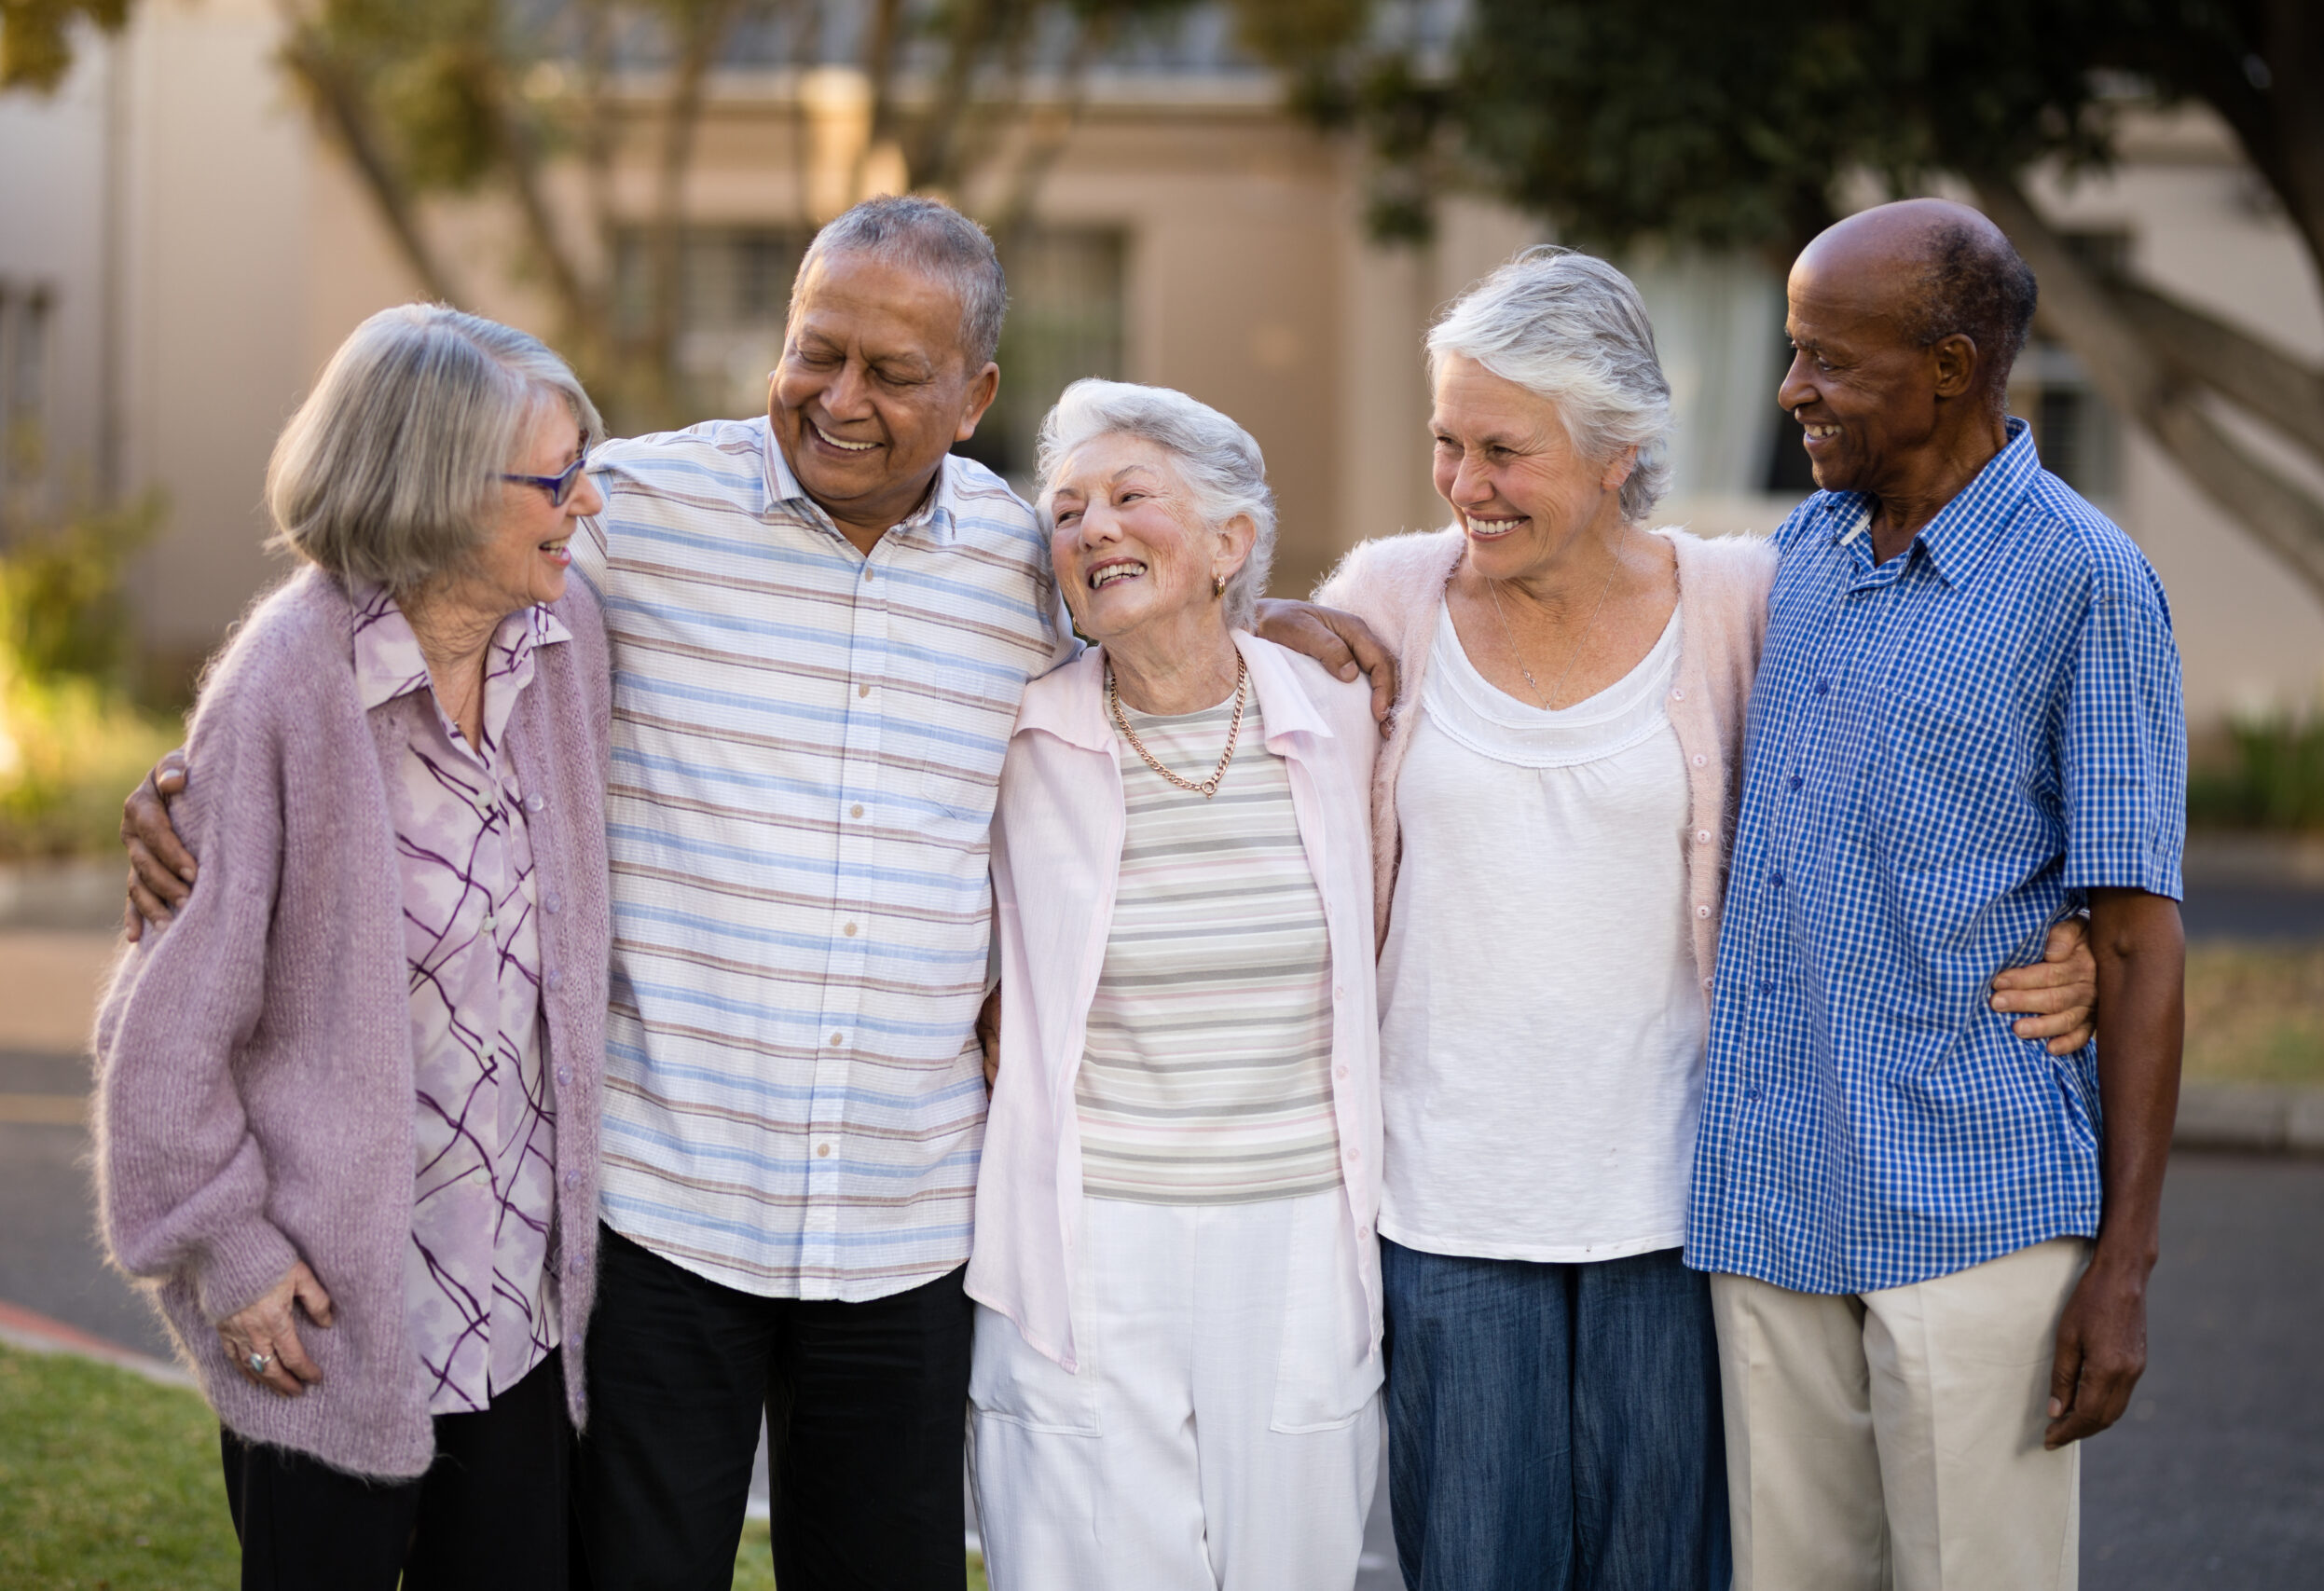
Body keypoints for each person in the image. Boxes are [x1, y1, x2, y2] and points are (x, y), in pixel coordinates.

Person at [117, 195, 1394, 1590]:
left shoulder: (1032, 570)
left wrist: (1269, 610)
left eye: (892, 374)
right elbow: (403, 582)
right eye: (814, 351)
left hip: (908, 1232)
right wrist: (199, 782)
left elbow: (1144, 594)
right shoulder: (630, 517)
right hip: (666, 1219)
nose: (837, 398)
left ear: (972, 399)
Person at [1312, 247, 2100, 1591]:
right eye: (1447, 443)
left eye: (1503, 450)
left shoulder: (1746, 596)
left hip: (1681, 1209)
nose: (1463, 486)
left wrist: (2063, 922)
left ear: (1619, 448)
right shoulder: (1386, 598)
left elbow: (1902, 765)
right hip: (1444, 1207)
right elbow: (1243, 763)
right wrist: (1258, 624)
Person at [1685, 199, 2187, 1590]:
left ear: (1952, 368)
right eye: (1790, 353)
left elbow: (2139, 939)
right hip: (1770, 1202)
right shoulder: (1796, 562)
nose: (1792, 391)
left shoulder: (2087, 581)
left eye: (1828, 360)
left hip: (1974, 1209)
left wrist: (2125, 1268)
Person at [92, 305, 613, 1590]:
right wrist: (233, 1259)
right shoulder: (285, 686)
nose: (587, 501)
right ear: (437, 486)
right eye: (555, 479)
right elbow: (159, 1032)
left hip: (522, 1323)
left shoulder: (567, 643)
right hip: (331, 1320)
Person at [967, 381, 1384, 1588]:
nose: (1091, 528)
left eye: (1129, 497)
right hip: (1089, 1238)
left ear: (1230, 544)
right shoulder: (1020, 734)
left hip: (1299, 1228)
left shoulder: (1347, 715)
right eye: (1066, 511)